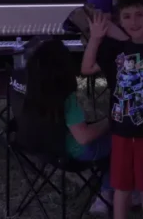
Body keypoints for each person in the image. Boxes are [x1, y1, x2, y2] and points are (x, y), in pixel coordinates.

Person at [81, 0, 143, 219]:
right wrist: (95, 38)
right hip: (120, 132)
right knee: (121, 188)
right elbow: (86, 68)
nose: (134, 21)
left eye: (140, 14)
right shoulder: (114, 49)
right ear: (119, 20)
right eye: (127, 16)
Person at [23, 39, 112, 214]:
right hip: (70, 152)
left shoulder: (30, 91)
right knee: (119, 142)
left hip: (43, 146)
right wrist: (110, 121)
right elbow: (83, 137)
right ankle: (108, 193)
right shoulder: (66, 98)